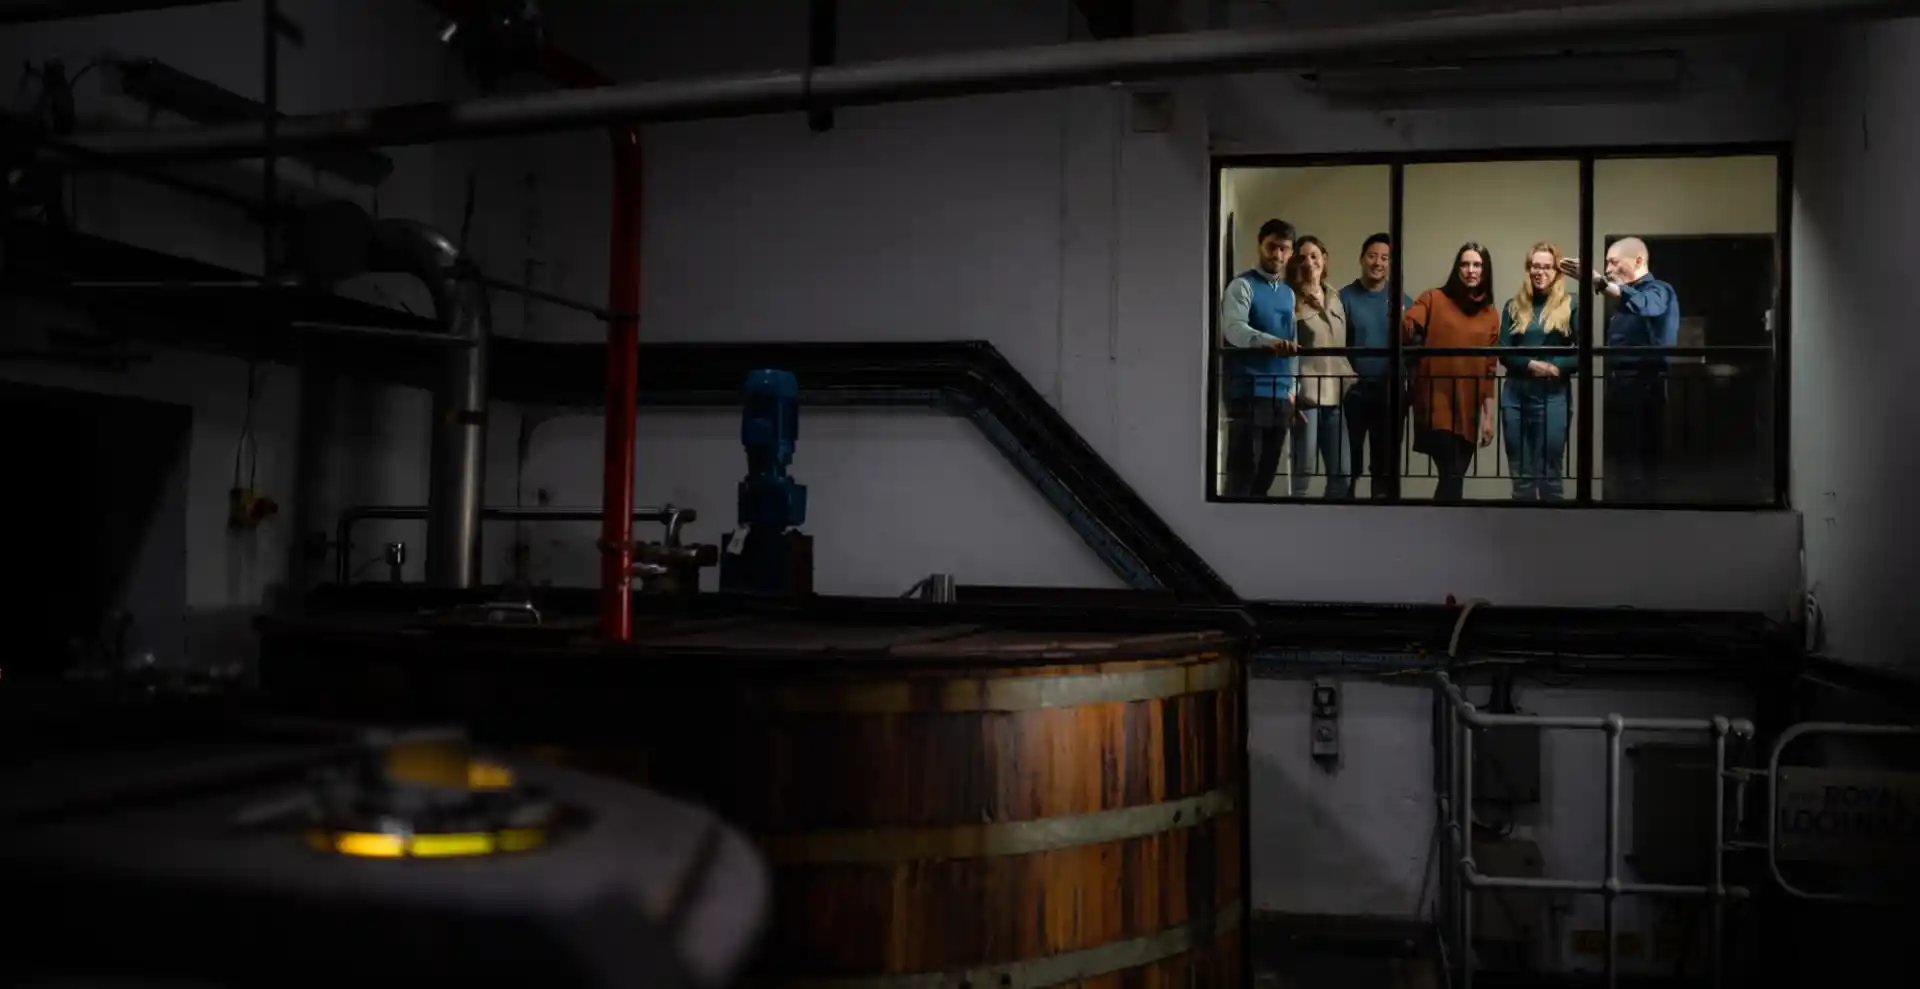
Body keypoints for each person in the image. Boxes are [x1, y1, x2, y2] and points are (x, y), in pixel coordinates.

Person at [1561, 236, 1678, 503]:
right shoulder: (1629, 296)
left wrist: (1599, 282)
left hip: (1646, 389)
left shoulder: (1660, 290)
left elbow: (1646, 306)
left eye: (1614, 262)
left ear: (1639, 261)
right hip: (1623, 390)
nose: (1609, 269)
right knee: (1624, 465)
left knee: (1644, 468)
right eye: (1607, 264)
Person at [1403, 243, 1498, 502]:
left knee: (1454, 476)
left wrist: (1489, 417)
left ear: (1485, 270)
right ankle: (1446, 531)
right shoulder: (1434, 298)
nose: (1470, 270)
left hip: (1470, 404)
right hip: (1437, 399)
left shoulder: (1491, 314)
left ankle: (1441, 529)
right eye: (1465, 264)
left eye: (1477, 265)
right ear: (1457, 268)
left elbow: (1490, 368)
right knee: (1451, 470)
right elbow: (1409, 325)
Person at [1218, 218, 1300, 497]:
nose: (1277, 255)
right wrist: (1270, 342)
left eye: (1284, 249)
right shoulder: (1241, 286)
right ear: (1260, 245)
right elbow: (1233, 329)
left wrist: (1293, 388)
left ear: (1291, 253)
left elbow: (1293, 343)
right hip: (1248, 390)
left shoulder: (1288, 294)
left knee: (1267, 472)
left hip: (1279, 394)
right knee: (1243, 472)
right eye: (1272, 247)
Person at [1499, 243, 1579, 501]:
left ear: (1557, 272)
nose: (1540, 272)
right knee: (1521, 477)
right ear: (1528, 269)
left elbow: (1582, 351)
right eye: (1535, 266)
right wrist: (1532, 365)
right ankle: (1519, 537)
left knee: (1550, 476)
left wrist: (1556, 366)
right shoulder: (1513, 305)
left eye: (1547, 267)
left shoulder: (1571, 304)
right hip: (1515, 397)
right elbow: (1503, 350)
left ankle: (1551, 538)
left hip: (1553, 396)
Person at [1339, 233, 1413, 499]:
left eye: (1384, 258)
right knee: (1348, 465)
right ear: (1361, 258)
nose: (1378, 263)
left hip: (1391, 395)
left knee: (1385, 467)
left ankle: (1381, 523)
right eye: (1372, 256)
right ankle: (1344, 519)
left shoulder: (1403, 301)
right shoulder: (1343, 298)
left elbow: (1413, 348)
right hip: (1353, 393)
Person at [1286, 236, 1355, 498]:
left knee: (1342, 473)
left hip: (1336, 394)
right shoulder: (1290, 298)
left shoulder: (1336, 297)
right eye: (1302, 257)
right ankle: (1295, 528)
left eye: (1314, 255)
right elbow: (1287, 350)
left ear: (1324, 258)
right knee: (1302, 472)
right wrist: (1289, 395)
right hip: (1306, 397)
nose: (1309, 262)